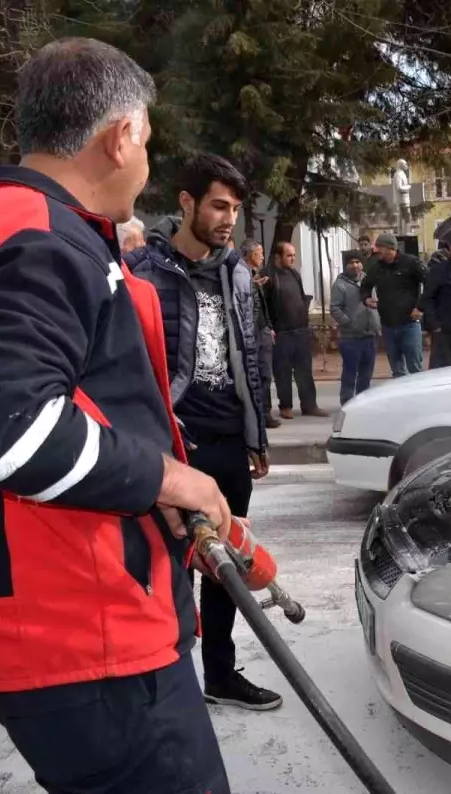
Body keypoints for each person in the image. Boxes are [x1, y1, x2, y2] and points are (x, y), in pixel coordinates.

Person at [0, 38, 234, 793]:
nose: (148, 163)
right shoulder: (38, 238)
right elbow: (6, 428)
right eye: (148, 142)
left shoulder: (4, 228)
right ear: (119, 136)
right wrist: (168, 479)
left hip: (70, 622)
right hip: (85, 631)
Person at [124, 155, 281, 713]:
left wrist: (254, 434)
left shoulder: (237, 270)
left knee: (227, 568)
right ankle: (173, 685)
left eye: (236, 209)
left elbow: (252, 358)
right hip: (174, 446)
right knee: (170, 569)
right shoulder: (142, 270)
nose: (228, 220)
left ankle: (220, 673)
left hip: (227, 442)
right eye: (219, 205)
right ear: (186, 202)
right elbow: (129, 368)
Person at [264, 242, 329, 418]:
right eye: (289, 255)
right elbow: (263, 306)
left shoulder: (294, 274)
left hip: (300, 331)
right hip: (281, 333)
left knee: (304, 371)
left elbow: (300, 296)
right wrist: (269, 327)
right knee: (282, 372)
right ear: (278, 256)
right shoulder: (269, 276)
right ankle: (285, 406)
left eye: (293, 255)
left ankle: (309, 405)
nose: (293, 258)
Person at [361, 232, 425, 377]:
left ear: (390, 248)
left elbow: (430, 282)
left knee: (415, 367)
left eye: (379, 248)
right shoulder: (377, 268)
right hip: (388, 326)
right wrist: (366, 299)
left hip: (410, 324)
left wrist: (420, 306)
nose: (377, 251)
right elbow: (365, 286)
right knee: (397, 370)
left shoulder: (411, 263)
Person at [331, 252, 381, 403]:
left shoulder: (369, 281)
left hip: (370, 335)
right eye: (351, 262)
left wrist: (378, 321)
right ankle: (347, 403)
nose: (355, 265)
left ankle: (363, 402)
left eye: (358, 262)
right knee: (350, 373)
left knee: (366, 374)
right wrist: (349, 322)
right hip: (350, 337)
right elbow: (334, 308)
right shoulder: (340, 285)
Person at [242, 239, 281, 429]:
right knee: (254, 374)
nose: (263, 256)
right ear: (250, 255)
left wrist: (268, 326)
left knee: (265, 373)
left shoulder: (255, 277)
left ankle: (266, 412)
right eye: (260, 253)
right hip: (252, 332)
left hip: (263, 330)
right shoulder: (241, 275)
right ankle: (257, 414)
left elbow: (261, 306)